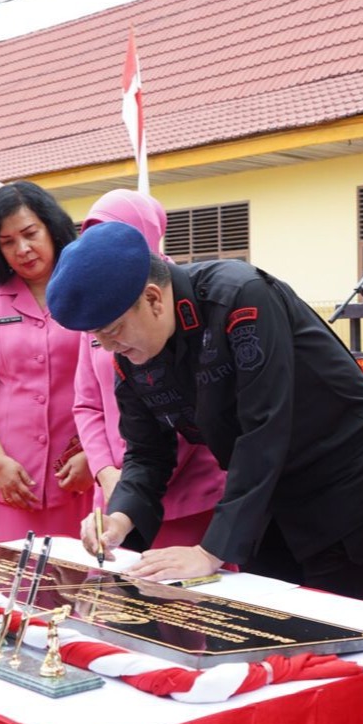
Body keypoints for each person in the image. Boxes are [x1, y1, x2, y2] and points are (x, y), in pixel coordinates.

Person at [48, 220, 363, 603]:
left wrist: (209, 551)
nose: (109, 346)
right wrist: (119, 518)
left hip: (342, 470)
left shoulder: (239, 298)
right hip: (266, 486)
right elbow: (147, 452)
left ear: (153, 299)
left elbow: (264, 427)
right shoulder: (131, 351)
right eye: (96, 338)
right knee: (270, 610)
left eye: (113, 330)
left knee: (341, 618)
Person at [71, 190, 225, 547]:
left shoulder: (178, 300)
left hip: (188, 492)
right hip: (118, 493)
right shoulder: (98, 309)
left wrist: (130, 482)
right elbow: (86, 404)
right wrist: (107, 474)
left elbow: (194, 401)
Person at [0, 182, 89, 543]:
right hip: (10, 478)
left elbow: (122, 381)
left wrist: (97, 455)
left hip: (81, 474)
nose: (22, 250)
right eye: (7, 242)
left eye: (30, 234)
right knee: (7, 588)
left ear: (52, 228)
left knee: (79, 590)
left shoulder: (88, 285)